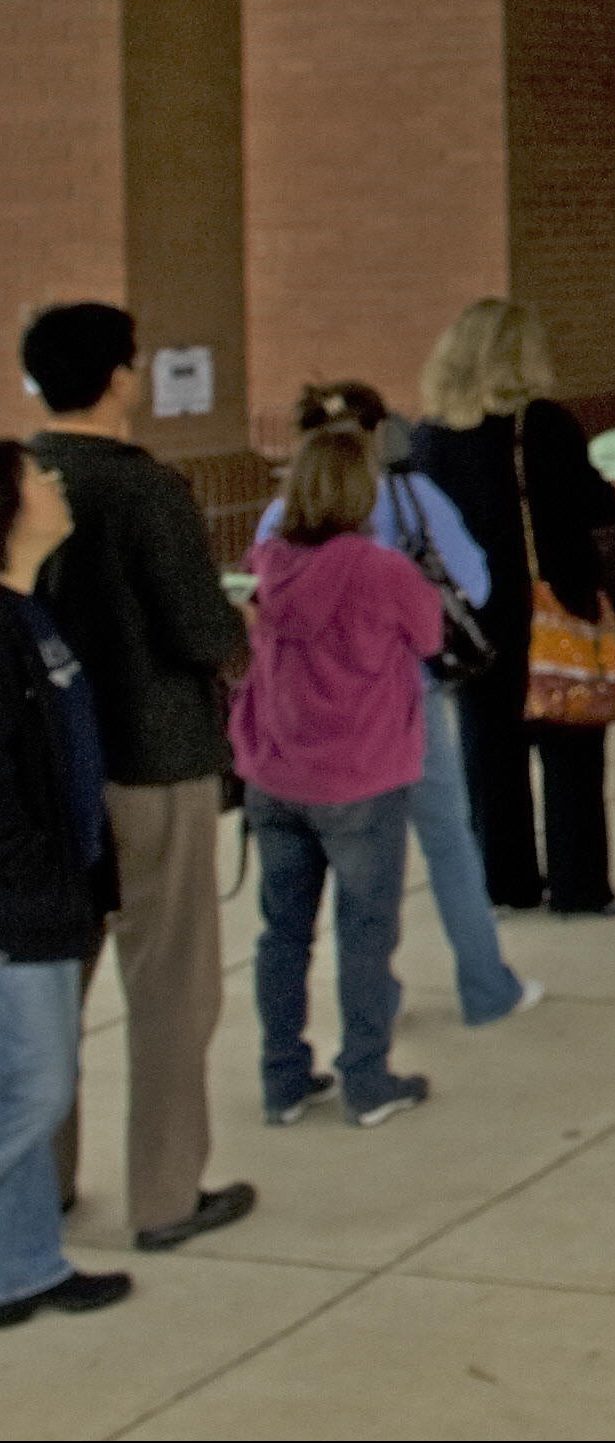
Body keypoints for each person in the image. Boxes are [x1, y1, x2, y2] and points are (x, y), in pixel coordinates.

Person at [19, 304, 255, 1253]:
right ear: (119, 376)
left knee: (52, 988)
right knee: (171, 983)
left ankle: (41, 1183)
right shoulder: (147, 490)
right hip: (154, 761)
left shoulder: (22, 476)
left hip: (50, 775)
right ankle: (164, 1193)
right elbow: (203, 629)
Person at [259, 384, 536, 1027]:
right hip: (404, 704)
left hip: (306, 722)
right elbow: (473, 581)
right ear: (379, 432)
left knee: (337, 884)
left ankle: (367, 1003)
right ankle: (484, 983)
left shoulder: (279, 521)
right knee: (447, 843)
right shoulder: (412, 499)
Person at [233, 427, 440, 1130]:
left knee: (282, 932)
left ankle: (283, 1077)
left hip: (277, 770)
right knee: (366, 929)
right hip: (362, 773)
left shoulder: (265, 563)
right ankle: (366, 1075)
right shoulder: (380, 570)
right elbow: (432, 635)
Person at [412, 300, 615, 919]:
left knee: (489, 755)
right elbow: (594, 507)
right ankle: (579, 885)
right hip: (551, 608)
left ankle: (506, 881)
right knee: (570, 749)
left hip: (472, 619)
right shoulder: (543, 426)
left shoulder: (428, 437)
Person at [0, 442, 130, 1326]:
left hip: (58, 889)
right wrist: (39, 883)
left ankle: (26, 1267)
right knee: (40, 1088)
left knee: (32, 1086)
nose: (55, 483)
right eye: (37, 477)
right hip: (20, 903)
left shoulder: (31, 612)